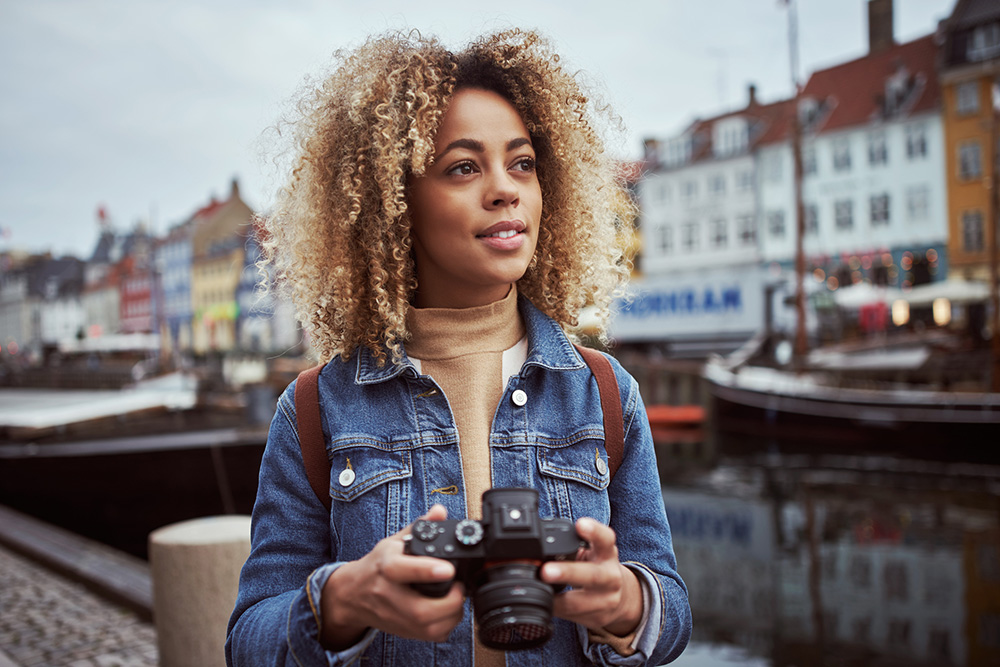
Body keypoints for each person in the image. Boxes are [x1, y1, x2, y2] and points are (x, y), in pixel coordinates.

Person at [226, 28, 691, 667]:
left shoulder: (605, 393)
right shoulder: (313, 410)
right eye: (464, 166)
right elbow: (248, 641)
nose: (505, 189)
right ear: (394, 202)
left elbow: (671, 609)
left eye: (522, 162)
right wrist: (343, 601)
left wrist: (627, 605)